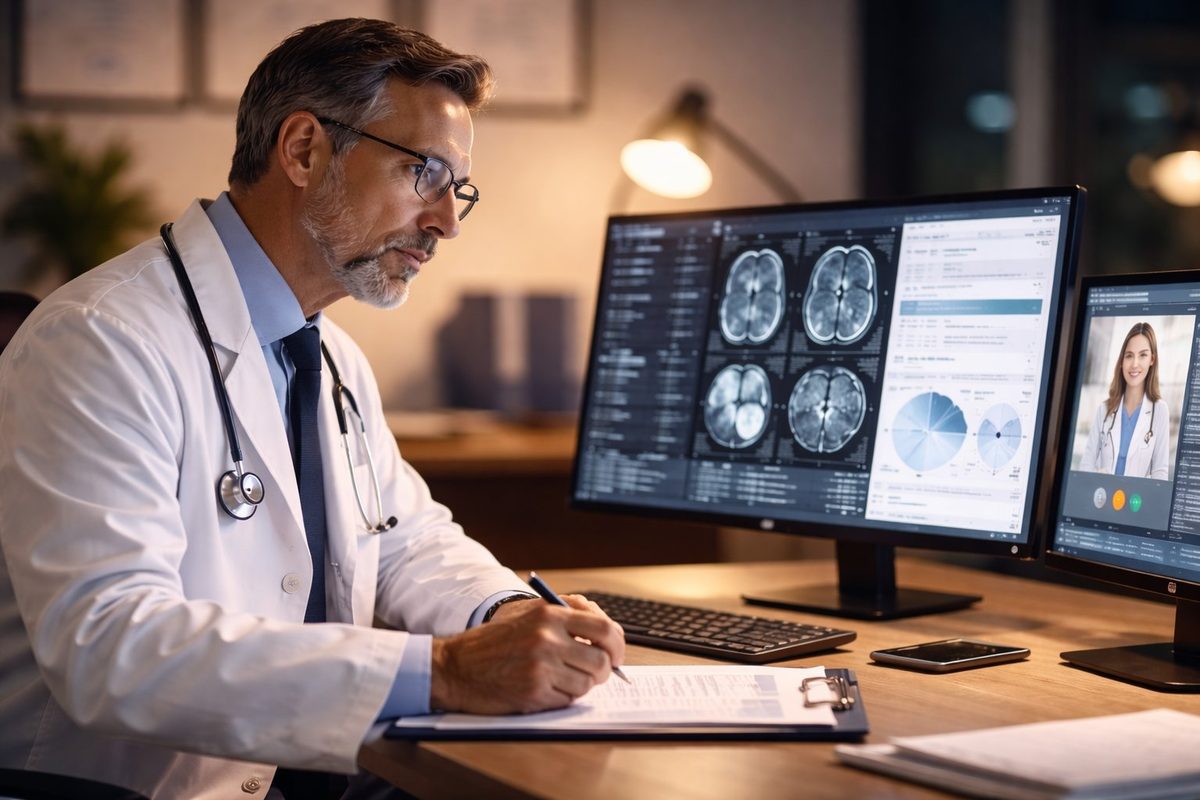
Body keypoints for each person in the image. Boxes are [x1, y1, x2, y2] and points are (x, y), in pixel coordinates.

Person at [0, 18, 624, 799]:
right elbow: (108, 647)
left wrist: (502, 614)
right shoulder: (99, 340)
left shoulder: (328, 356)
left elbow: (405, 542)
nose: (447, 222)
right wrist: (443, 671)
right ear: (303, 151)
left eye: (457, 187)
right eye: (425, 173)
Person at [1081, 321, 1171, 480]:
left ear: (1152, 360)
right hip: (1103, 493)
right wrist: (1097, 475)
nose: (1134, 364)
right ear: (1122, 361)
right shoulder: (1104, 409)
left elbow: (1160, 474)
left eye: (1142, 355)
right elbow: (1086, 465)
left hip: (1138, 496)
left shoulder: (1160, 411)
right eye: (1129, 355)